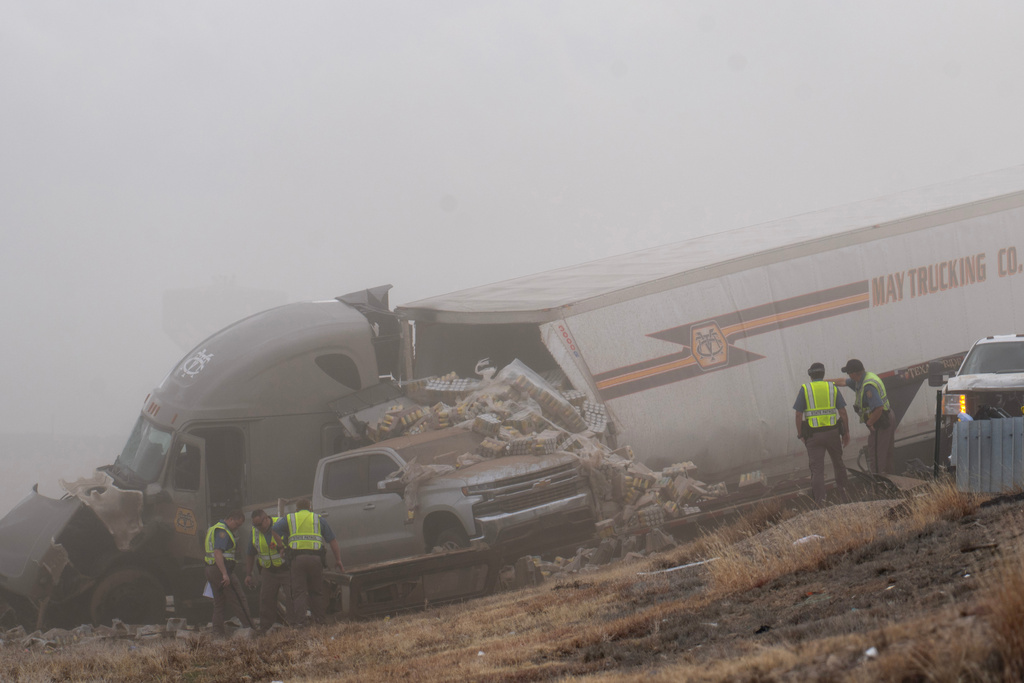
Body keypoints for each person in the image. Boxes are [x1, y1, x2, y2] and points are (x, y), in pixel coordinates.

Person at [272, 499, 344, 627]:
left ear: (296, 509)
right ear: (310, 508)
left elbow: (274, 529)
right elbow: (332, 540)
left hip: (297, 560)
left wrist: (281, 547)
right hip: (315, 560)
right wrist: (338, 560)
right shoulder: (318, 519)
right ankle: (320, 622)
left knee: (299, 593)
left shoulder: (290, 518)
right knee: (316, 592)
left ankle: (301, 624)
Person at [794, 362, 851, 504]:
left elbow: (798, 415)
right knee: (838, 464)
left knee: (817, 470)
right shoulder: (831, 387)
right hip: (833, 433)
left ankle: (820, 504)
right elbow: (842, 412)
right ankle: (846, 498)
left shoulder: (805, 389)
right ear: (823, 374)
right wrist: (846, 432)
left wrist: (801, 434)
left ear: (810, 375)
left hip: (813, 437)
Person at [834, 358, 896, 474]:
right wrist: (824, 382)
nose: (848, 375)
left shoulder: (867, 386)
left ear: (853, 374)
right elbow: (843, 382)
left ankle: (879, 485)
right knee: (887, 454)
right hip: (887, 416)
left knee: (877, 455)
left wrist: (870, 423)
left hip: (880, 420)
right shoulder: (863, 379)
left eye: (848, 372)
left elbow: (878, 408)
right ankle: (890, 483)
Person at [203, 510, 252, 636]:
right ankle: (249, 627)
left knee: (219, 603)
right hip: (220, 570)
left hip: (210, 569)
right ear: (230, 519)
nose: (237, 527)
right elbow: (218, 552)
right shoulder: (222, 531)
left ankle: (217, 632)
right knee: (238, 599)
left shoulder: (213, 528)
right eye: (236, 524)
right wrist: (224, 574)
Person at [245, 509, 293, 634]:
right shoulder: (255, 532)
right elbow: (250, 554)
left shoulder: (280, 524)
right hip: (268, 571)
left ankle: (294, 625)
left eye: (260, 524)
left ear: (266, 519)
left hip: (285, 568)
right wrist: (248, 574)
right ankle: (266, 628)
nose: (258, 528)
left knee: (291, 596)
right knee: (266, 599)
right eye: (255, 525)